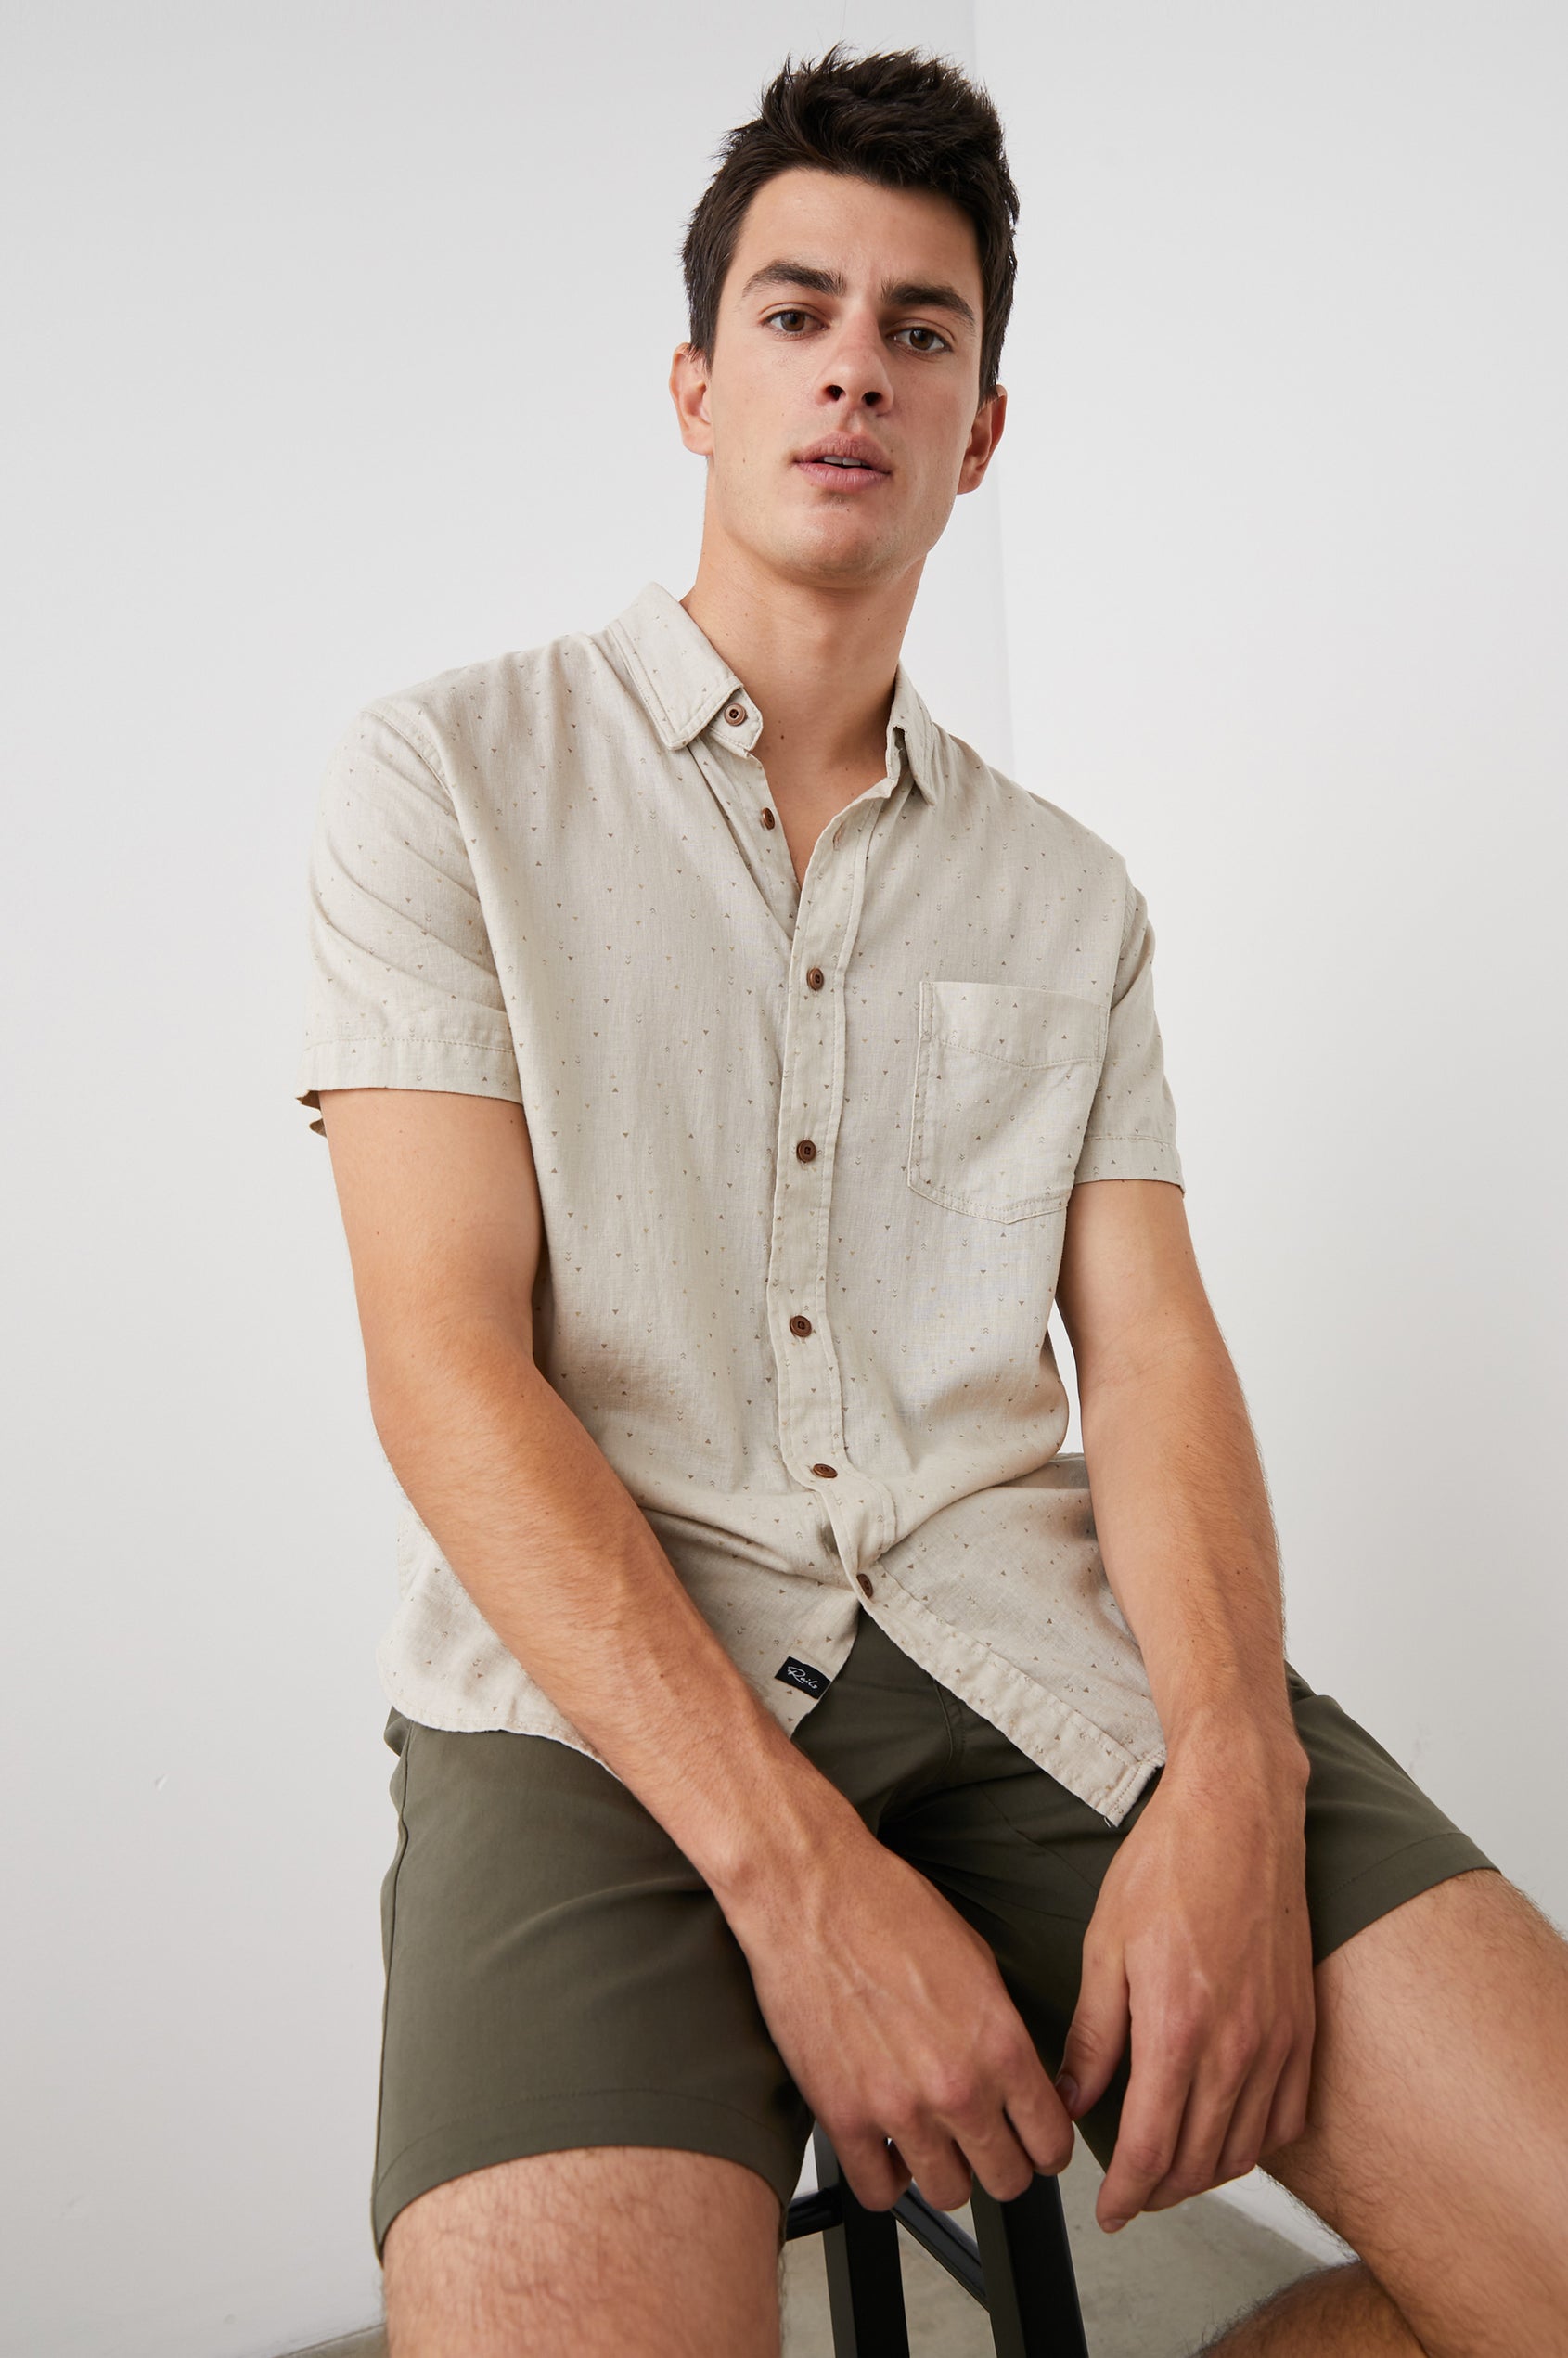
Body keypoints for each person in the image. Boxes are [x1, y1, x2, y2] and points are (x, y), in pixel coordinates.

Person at [294, 43, 1568, 2358]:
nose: (852, 369)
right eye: (793, 313)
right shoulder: (444, 780)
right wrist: (799, 1882)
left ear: (977, 427)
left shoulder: (1067, 895)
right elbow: (442, 1363)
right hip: (594, 1699)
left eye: (918, 328)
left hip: (1024, 1645)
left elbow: (1149, 1355)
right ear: (694, 386)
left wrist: (1235, 1774)